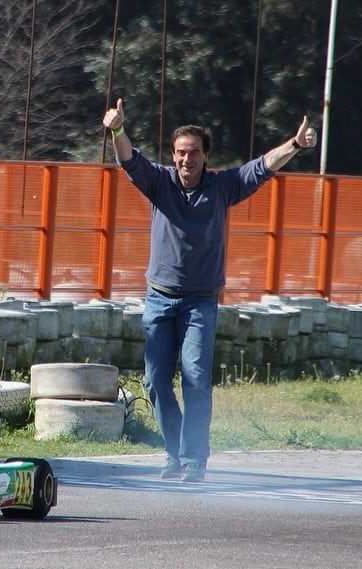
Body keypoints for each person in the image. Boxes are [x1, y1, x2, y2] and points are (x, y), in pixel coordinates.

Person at [102, 98, 317, 482]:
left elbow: (261, 168)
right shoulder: (159, 182)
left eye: (195, 153)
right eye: (182, 153)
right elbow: (129, 160)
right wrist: (117, 128)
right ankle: (174, 453)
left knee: (196, 377)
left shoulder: (222, 187)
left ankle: (195, 459)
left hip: (201, 301)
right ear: (173, 155)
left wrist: (295, 145)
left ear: (206, 157)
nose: (187, 160)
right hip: (159, 298)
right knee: (154, 381)